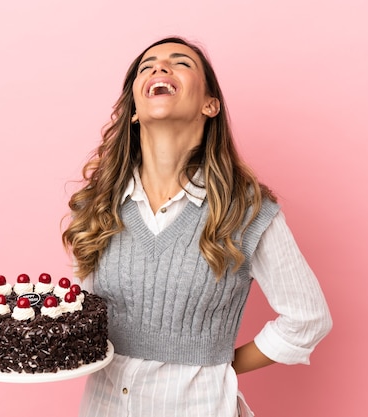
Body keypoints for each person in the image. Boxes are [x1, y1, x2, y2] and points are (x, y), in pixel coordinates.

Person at [62, 36, 333, 417]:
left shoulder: (246, 211)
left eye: (181, 63)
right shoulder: (96, 208)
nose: (159, 68)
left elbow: (308, 319)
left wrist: (217, 366)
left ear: (210, 105)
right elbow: (81, 316)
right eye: (147, 66)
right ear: (135, 110)